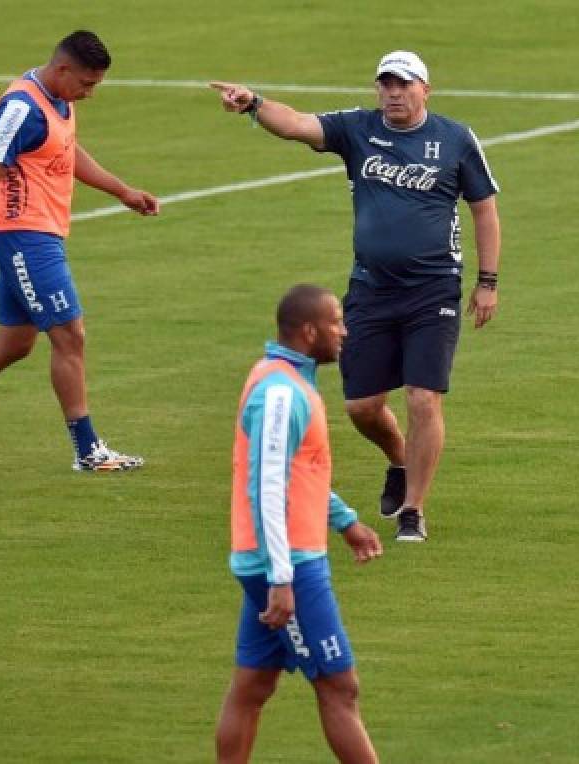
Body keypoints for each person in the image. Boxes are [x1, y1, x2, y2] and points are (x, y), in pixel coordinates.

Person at [209, 50, 502, 542]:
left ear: (424, 89)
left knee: (424, 397)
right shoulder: (358, 129)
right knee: (362, 407)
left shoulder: (455, 140)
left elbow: (484, 209)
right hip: (370, 288)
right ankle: (399, 460)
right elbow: (297, 124)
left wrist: (488, 282)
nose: (392, 93)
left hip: (434, 290)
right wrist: (254, 103)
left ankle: (413, 511)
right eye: (385, 84)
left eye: (403, 84)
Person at [0, 30, 158, 471]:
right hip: (25, 237)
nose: (89, 94)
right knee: (70, 336)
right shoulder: (20, 109)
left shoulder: (58, 99)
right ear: (62, 70)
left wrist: (122, 191)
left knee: (15, 343)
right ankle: (88, 451)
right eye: (87, 84)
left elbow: (66, 152)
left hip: (40, 235)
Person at [216, 284, 384, 764]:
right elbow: (268, 486)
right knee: (338, 686)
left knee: (253, 683)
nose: (344, 332)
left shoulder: (286, 381)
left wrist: (345, 521)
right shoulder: (280, 394)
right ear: (309, 332)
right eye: (336, 323)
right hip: (288, 563)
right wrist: (282, 578)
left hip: (276, 558)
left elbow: (298, 473)